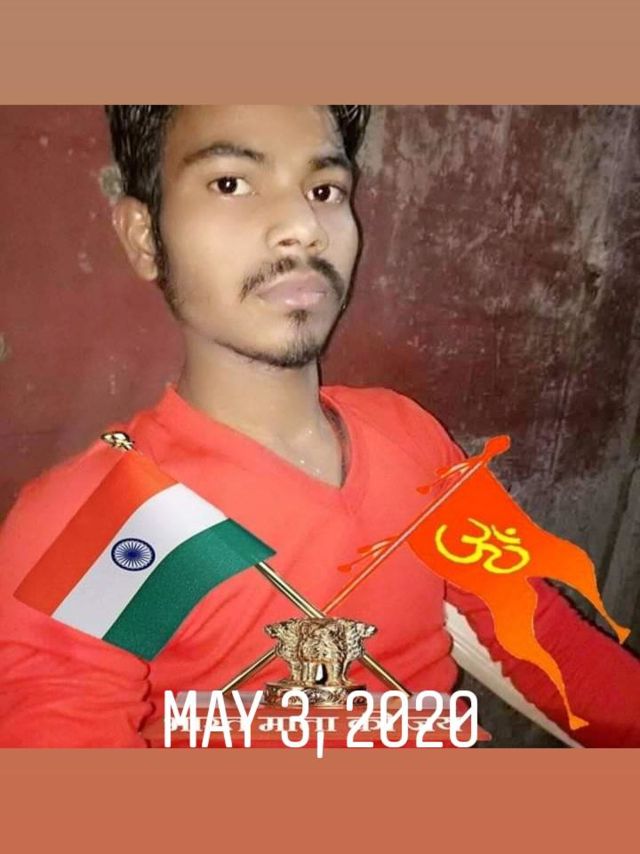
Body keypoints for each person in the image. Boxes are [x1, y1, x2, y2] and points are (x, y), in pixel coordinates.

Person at [0, 105, 638, 747]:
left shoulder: (410, 438)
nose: (304, 227)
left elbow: (542, 635)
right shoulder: (109, 515)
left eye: (325, 189)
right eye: (231, 183)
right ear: (145, 237)